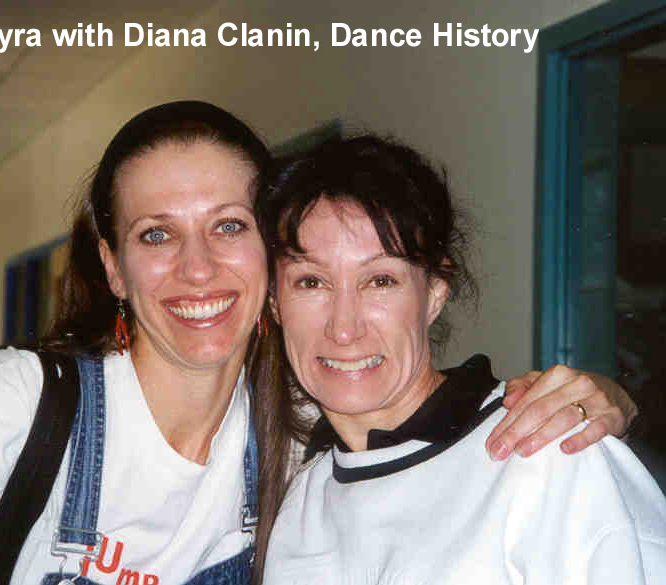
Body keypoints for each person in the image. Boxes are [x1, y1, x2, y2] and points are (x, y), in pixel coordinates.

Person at [0, 102, 638, 585]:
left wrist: (599, 402)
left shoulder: (298, 432)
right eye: (157, 234)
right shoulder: (15, 407)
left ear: (268, 257)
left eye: (228, 226)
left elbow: (424, 425)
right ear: (113, 267)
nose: (196, 268)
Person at [257, 134, 666, 584]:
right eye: (311, 282)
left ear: (434, 293)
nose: (343, 328)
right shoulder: (302, 503)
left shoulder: (547, 452)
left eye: (380, 281)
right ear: (275, 303)